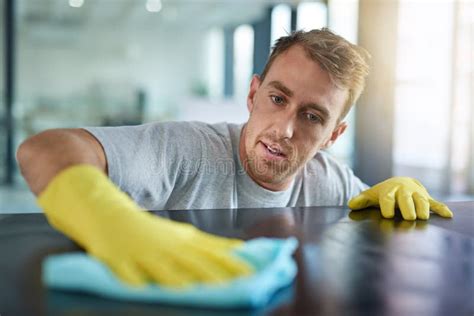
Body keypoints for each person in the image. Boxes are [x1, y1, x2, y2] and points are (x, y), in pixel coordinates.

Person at [16, 28, 452, 288]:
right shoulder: (186, 151)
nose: (283, 129)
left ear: (333, 135)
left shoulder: (329, 180)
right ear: (252, 94)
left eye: (312, 117)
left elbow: (369, 204)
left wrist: (390, 191)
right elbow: (42, 149)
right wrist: (110, 219)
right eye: (277, 98)